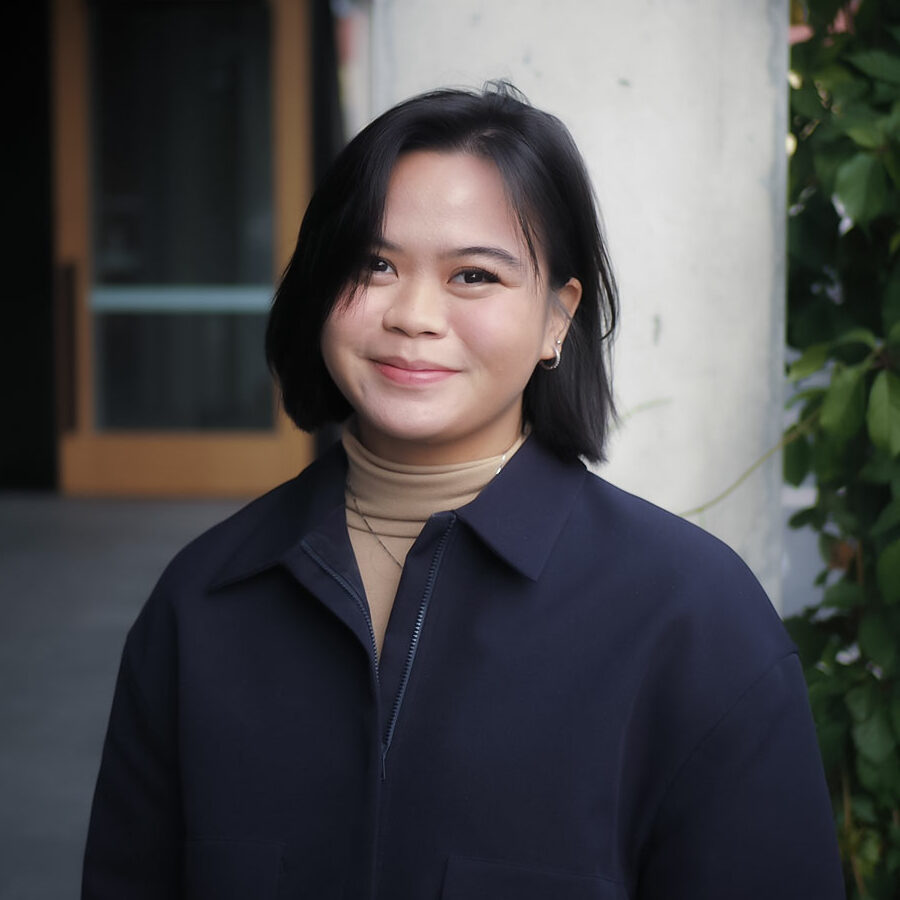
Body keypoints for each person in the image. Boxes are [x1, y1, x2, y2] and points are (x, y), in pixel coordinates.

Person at [82, 83, 845, 899]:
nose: (413, 314)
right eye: (374, 264)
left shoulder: (694, 617)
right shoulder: (203, 602)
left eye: (474, 276)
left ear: (559, 317)